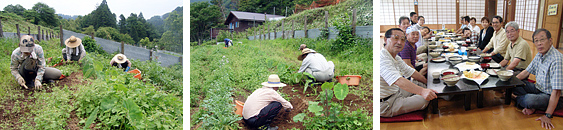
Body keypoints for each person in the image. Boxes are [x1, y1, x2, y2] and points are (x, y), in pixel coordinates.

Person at [381, 28, 437, 117]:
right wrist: (422, 92)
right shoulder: (382, 58)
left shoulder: (395, 56)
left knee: (420, 83)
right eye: (396, 38)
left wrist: (426, 82)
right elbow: (398, 80)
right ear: (385, 39)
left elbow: (410, 71)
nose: (399, 42)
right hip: (387, 103)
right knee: (424, 99)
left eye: (402, 39)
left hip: (396, 91)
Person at [514, 29, 563, 129]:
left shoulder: (557, 60)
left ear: (550, 41)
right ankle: (527, 102)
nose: (539, 43)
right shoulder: (539, 54)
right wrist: (509, 83)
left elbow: (557, 92)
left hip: (551, 95)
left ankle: (518, 99)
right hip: (538, 88)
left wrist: (548, 115)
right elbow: (526, 72)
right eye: (536, 41)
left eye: (542, 40)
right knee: (516, 83)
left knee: (528, 100)